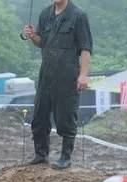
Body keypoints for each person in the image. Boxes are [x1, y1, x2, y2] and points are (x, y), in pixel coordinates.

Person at [22, 0, 93, 170]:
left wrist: (83, 75)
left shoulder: (78, 15)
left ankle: (65, 156)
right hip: (46, 73)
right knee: (39, 114)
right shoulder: (45, 14)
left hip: (67, 74)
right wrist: (32, 35)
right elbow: (41, 42)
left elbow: (85, 48)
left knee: (66, 115)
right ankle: (40, 154)